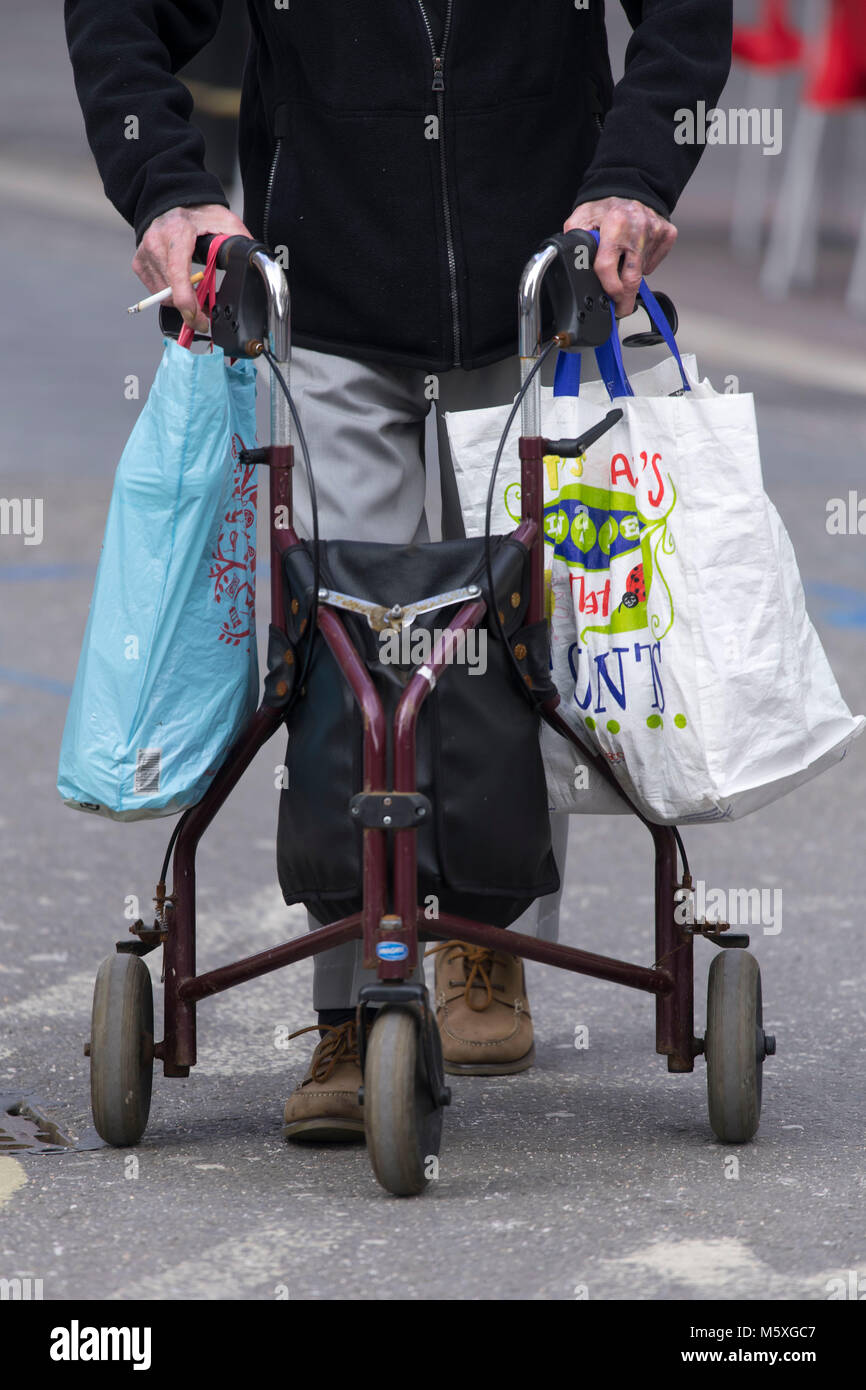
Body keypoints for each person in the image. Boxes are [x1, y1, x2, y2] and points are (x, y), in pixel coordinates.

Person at [65, 0, 733, 1141]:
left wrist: (635, 176)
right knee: (342, 648)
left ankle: (486, 932)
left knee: (525, 628)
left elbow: (683, 15)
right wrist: (167, 191)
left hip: (539, 289)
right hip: (327, 293)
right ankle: (354, 997)